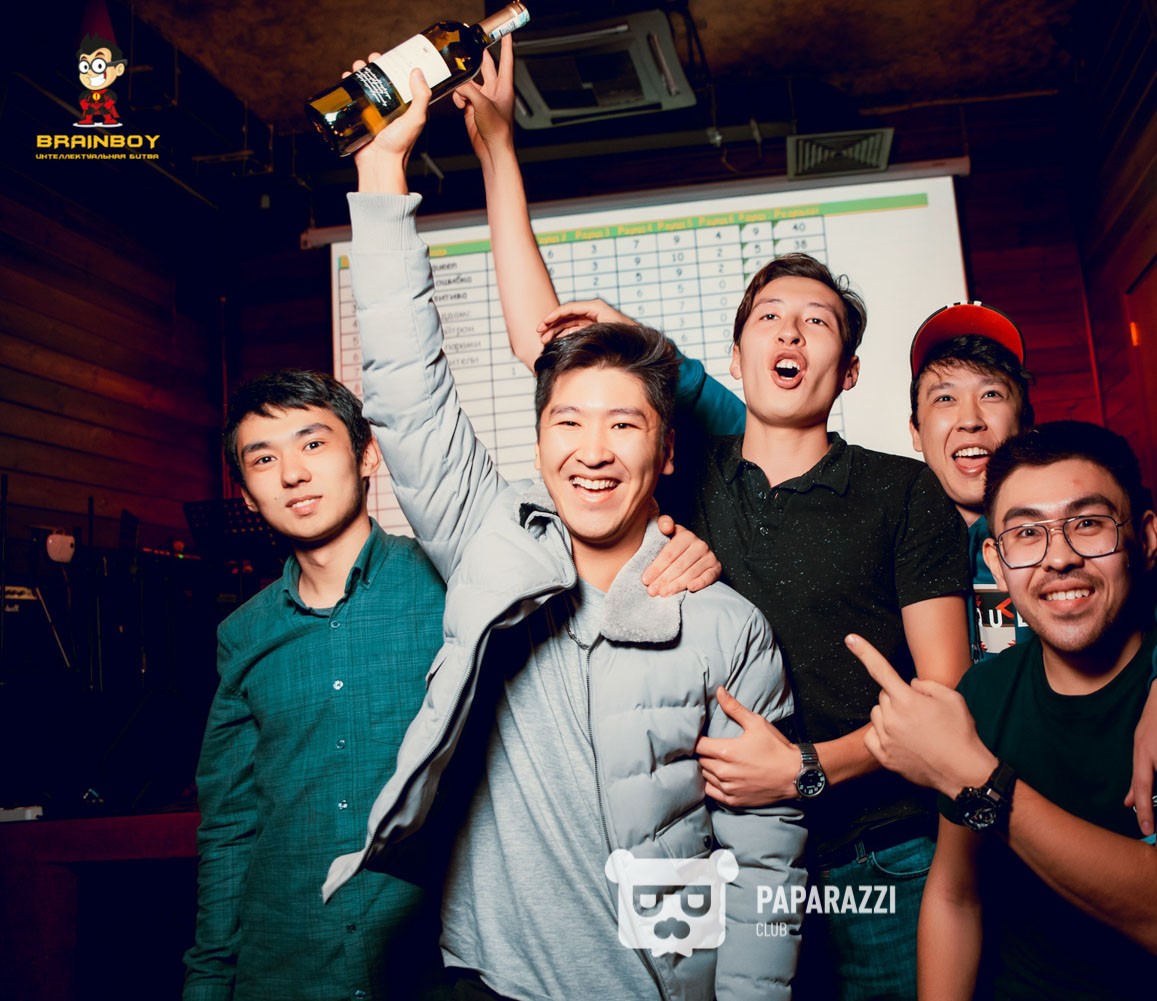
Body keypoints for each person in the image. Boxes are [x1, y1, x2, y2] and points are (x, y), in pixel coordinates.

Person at [322, 52, 808, 1001]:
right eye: (568, 422)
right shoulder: (489, 540)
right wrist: (381, 171)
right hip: (489, 980)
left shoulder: (727, 625)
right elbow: (408, 388)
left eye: (624, 424)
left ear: (667, 449)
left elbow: (765, 860)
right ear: (540, 438)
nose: (593, 450)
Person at [855, 420, 1157, 999]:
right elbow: (956, 895)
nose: (1058, 558)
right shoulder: (983, 694)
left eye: (1087, 524)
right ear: (996, 561)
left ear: (1145, 539)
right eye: (1027, 533)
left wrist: (977, 779)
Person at [906, 306, 1157, 850]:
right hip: (966, 828)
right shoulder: (902, 544)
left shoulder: (1088, 537)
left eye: (991, 394)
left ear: (1026, 423)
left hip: (1105, 818)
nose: (970, 419)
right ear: (916, 432)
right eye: (945, 398)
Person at [184, 369, 448, 1001]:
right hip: (289, 969)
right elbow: (230, 825)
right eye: (264, 458)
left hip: (434, 967)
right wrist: (209, 980)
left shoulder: (450, 589)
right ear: (248, 495)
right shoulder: (243, 635)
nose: (292, 474)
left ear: (367, 455)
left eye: (312, 443)